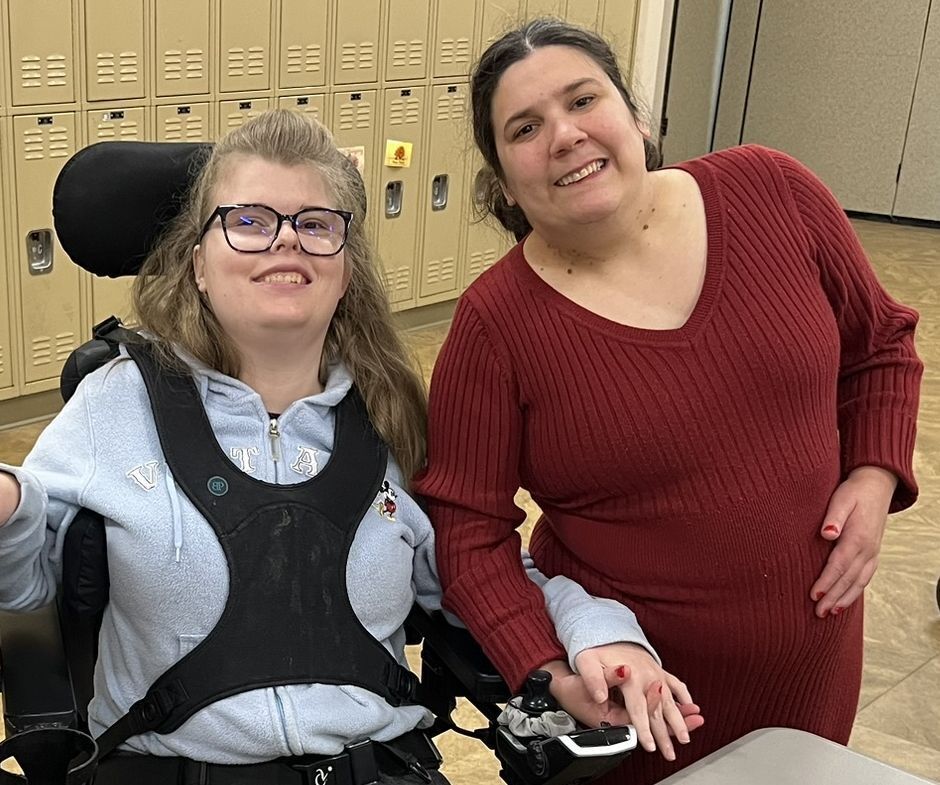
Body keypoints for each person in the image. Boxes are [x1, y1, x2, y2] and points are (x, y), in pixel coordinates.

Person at [0, 110, 695, 784]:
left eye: (315, 224)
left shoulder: (395, 423)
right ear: (197, 264)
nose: (285, 242)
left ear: (346, 266)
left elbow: (487, 570)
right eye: (247, 221)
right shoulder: (114, 403)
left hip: (375, 765)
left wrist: (602, 633)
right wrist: (7, 505)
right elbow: (26, 590)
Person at [414, 17, 923, 785]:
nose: (565, 135)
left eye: (584, 100)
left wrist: (875, 475)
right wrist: (550, 669)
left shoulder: (773, 192)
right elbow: (466, 534)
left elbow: (880, 344)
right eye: (525, 127)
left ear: (637, 117)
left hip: (814, 670)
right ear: (504, 179)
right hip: (636, 704)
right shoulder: (496, 326)